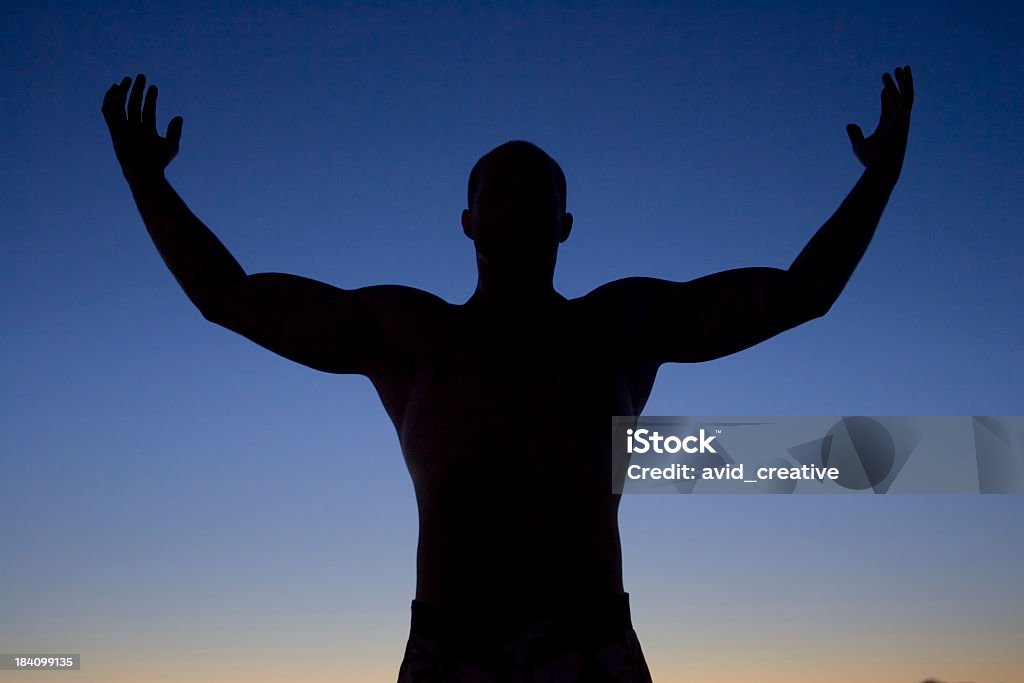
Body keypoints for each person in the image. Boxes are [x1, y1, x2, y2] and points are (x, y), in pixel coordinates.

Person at [101, 65, 914, 682]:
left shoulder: (619, 325)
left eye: (539, 194)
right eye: (501, 190)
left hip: (593, 648)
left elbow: (800, 294)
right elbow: (232, 298)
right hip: (451, 652)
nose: (520, 204)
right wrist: (146, 179)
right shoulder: (409, 333)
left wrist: (878, 176)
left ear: (566, 221)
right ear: (467, 219)